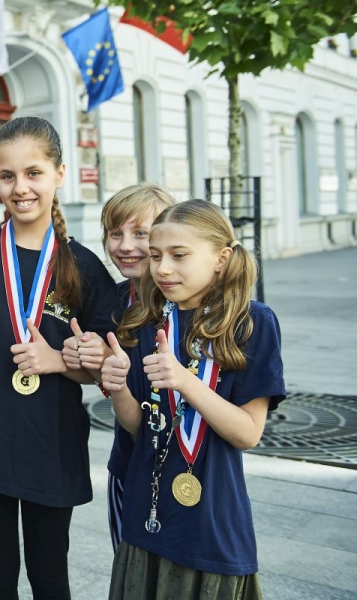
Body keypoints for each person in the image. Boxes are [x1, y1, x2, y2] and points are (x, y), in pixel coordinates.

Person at [0, 116, 118, 599]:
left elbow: (107, 365)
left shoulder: (83, 265)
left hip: (52, 442)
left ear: (59, 174)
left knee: (50, 577)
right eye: (8, 176)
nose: (20, 188)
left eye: (34, 173)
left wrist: (61, 359)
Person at [100, 199, 285, 599]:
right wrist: (118, 387)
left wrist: (186, 381)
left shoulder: (252, 323)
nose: (163, 269)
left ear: (221, 258)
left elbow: (248, 433)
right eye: (156, 256)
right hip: (148, 514)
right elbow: (139, 427)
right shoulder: (145, 322)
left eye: (179, 255)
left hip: (212, 521)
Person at [62, 182, 176, 552]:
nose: (125, 246)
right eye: (115, 234)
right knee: (129, 568)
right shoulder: (112, 300)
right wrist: (87, 358)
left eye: (140, 233)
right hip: (130, 464)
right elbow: (108, 381)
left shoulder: (188, 302)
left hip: (189, 466)